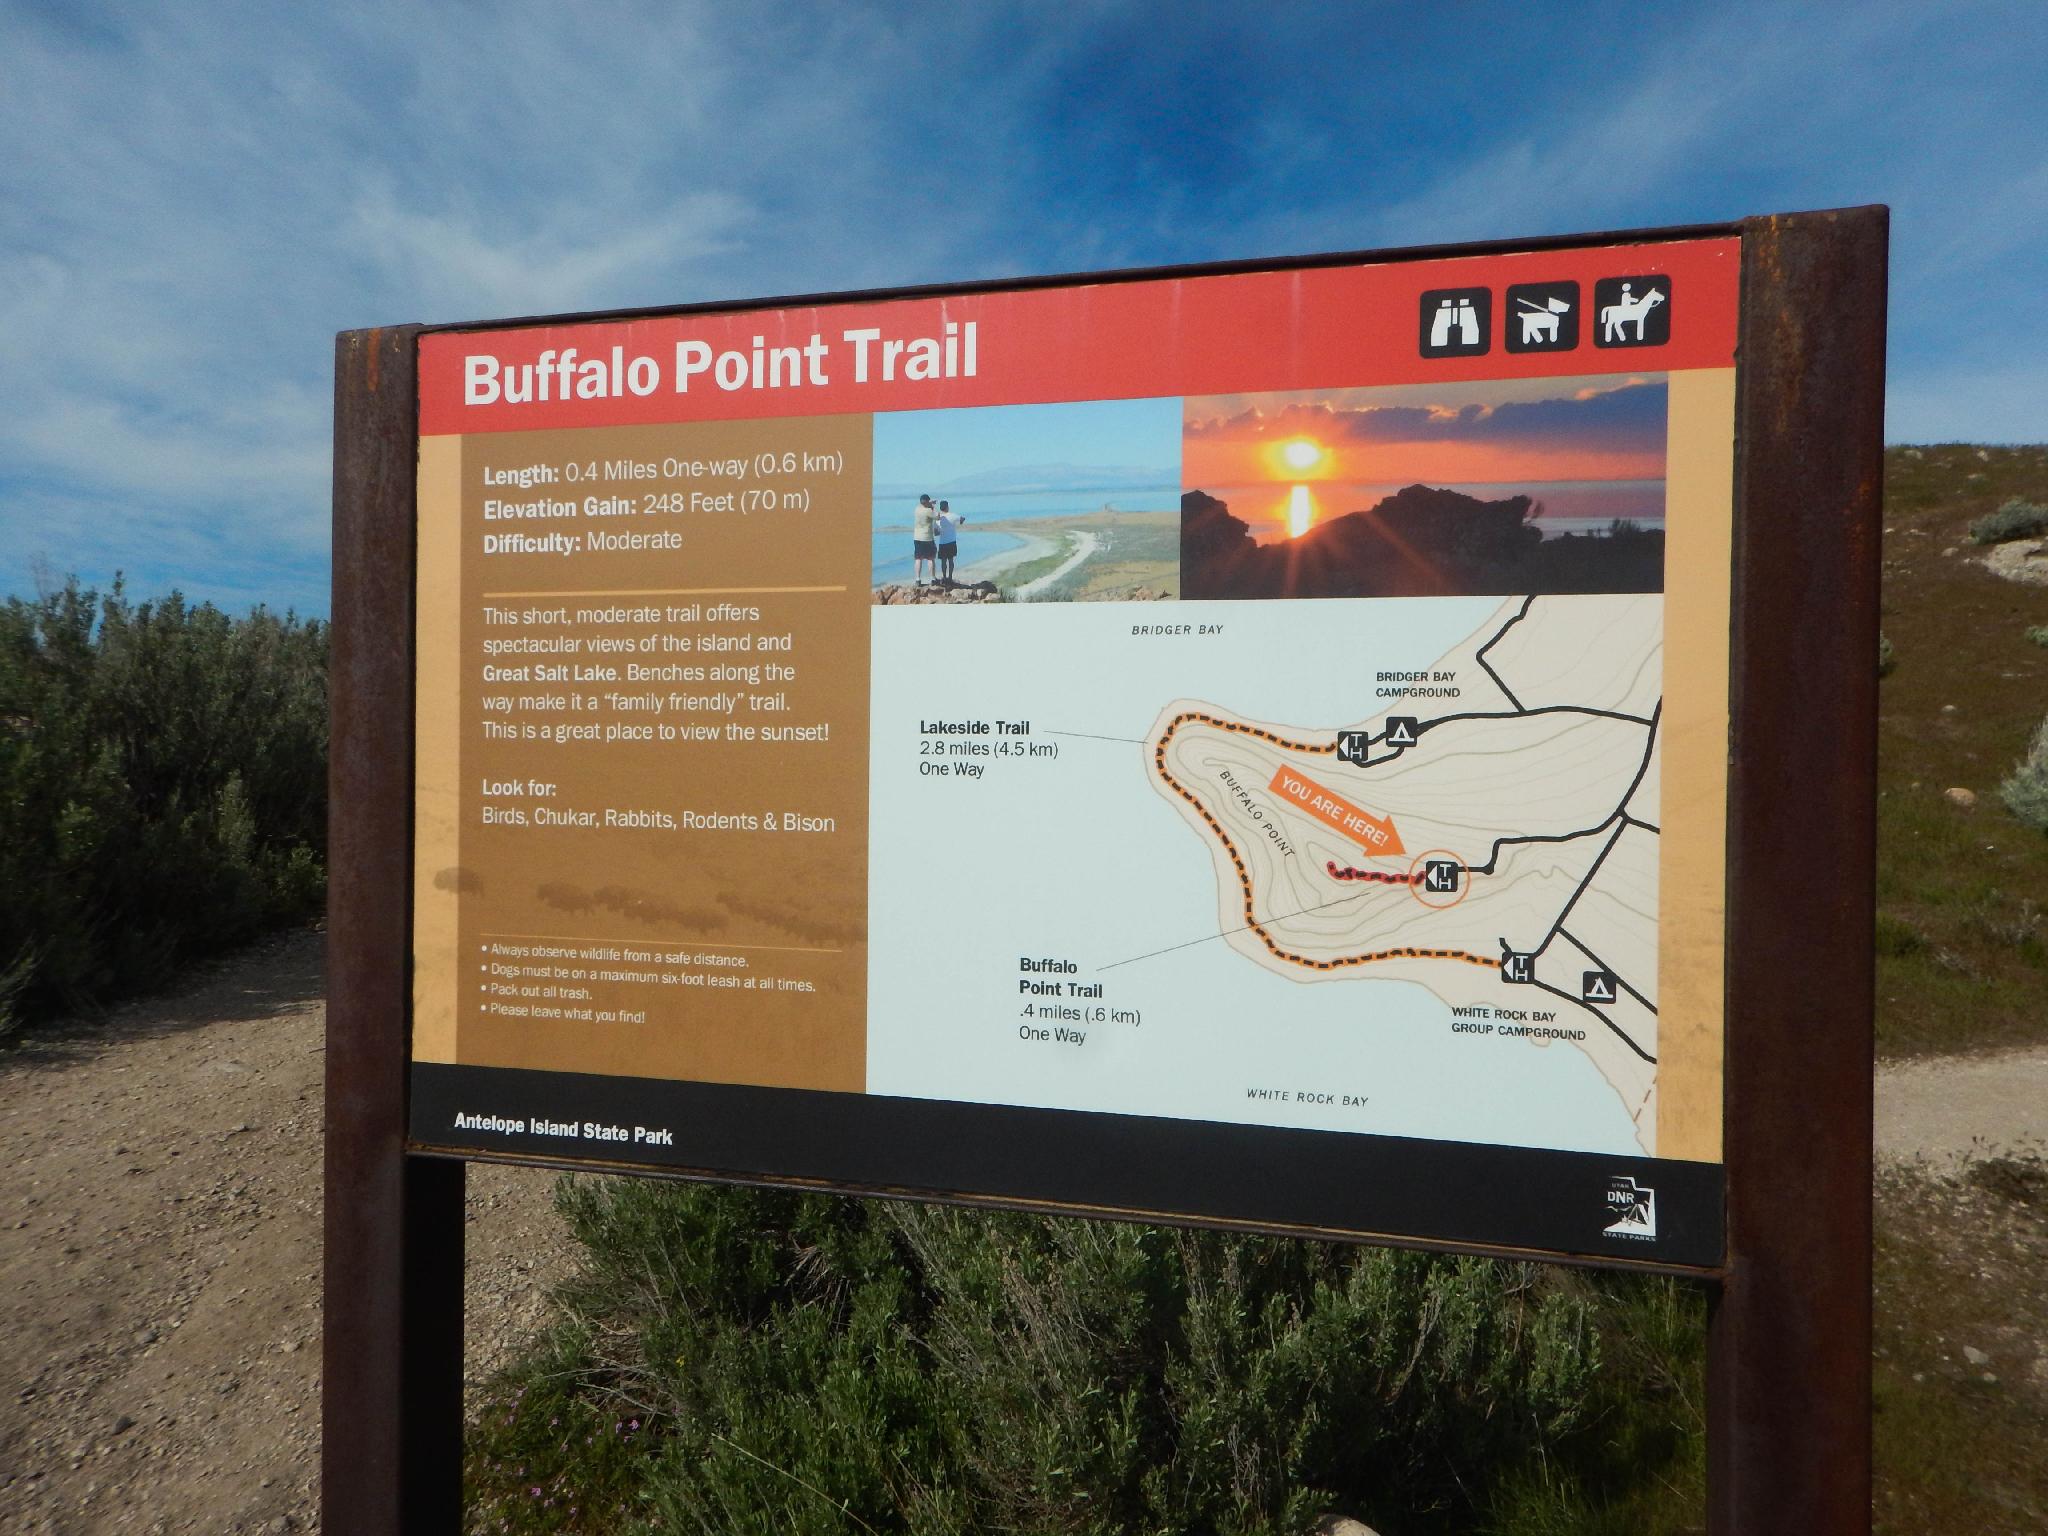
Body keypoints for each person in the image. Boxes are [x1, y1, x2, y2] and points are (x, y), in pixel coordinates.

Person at [933, 499, 964, 584]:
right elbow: (962, 518)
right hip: (952, 541)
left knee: (943, 561)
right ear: (947, 507)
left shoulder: (937, 519)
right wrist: (960, 522)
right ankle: (950, 577)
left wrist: (941, 531)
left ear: (940, 508)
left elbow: (935, 533)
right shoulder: (953, 515)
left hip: (942, 543)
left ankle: (944, 577)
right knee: (951, 560)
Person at [911, 494, 938, 586]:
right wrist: (933, 506)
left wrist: (929, 503)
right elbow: (937, 516)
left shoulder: (917, 509)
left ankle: (918, 579)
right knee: (930, 559)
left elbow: (922, 504)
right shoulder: (928, 511)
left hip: (917, 537)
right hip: (927, 538)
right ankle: (933, 579)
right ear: (927, 502)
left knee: (918, 558)